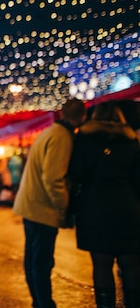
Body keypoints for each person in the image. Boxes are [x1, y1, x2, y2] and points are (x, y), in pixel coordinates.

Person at [12, 98, 87, 308]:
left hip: (32, 205)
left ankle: (39, 301)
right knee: (41, 262)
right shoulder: (61, 136)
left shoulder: (51, 131)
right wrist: (62, 207)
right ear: (82, 117)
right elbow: (53, 178)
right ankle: (44, 303)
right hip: (42, 208)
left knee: (34, 260)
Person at [67, 101, 140, 308]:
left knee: (101, 263)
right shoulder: (131, 140)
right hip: (127, 207)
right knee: (131, 263)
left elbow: (77, 173)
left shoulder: (83, 139)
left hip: (94, 207)